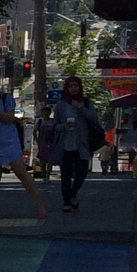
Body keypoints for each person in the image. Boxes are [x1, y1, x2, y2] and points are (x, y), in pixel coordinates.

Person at [0, 71, 46, 222]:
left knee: (21, 173)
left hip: (8, 140)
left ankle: (39, 206)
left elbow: (10, 118)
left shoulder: (5, 98)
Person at [50, 74, 100, 212]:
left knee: (82, 171)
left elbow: (94, 119)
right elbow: (55, 125)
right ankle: (66, 202)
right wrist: (63, 127)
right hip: (65, 144)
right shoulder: (61, 104)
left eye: (75, 86)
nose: (73, 89)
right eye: (70, 86)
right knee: (65, 174)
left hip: (82, 144)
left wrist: (81, 108)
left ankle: (73, 193)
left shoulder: (86, 103)